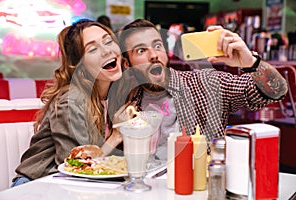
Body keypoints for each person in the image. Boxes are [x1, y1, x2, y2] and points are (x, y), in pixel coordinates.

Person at [108, 19, 288, 160]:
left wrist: (250, 62)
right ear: (127, 64)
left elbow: (276, 91)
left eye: (157, 46)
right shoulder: (126, 101)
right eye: (141, 51)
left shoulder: (204, 85)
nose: (154, 55)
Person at [12, 19, 123, 186]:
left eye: (108, 41)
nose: (106, 51)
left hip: (81, 187)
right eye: (93, 49)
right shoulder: (71, 102)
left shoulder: (115, 96)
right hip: (36, 186)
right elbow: (76, 168)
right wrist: (115, 137)